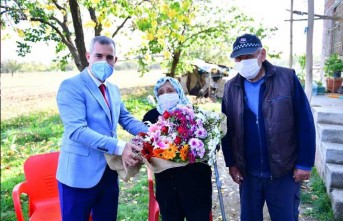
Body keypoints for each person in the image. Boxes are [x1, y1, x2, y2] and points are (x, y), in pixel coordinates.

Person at [221, 33, 316, 221]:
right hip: (248, 174)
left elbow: (305, 122)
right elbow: (226, 130)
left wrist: (304, 163)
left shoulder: (287, 79)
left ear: (262, 55)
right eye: (239, 58)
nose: (243, 62)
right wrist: (231, 163)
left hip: (283, 171)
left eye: (248, 56)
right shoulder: (231, 88)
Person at [56, 35, 147, 221]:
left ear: (115, 60)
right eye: (98, 56)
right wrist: (121, 147)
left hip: (108, 171)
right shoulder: (71, 86)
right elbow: (77, 131)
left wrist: (155, 132)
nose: (104, 61)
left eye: (109, 57)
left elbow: (125, 118)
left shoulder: (113, 88)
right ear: (88, 56)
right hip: (78, 175)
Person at [143, 77, 212, 221]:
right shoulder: (151, 117)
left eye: (169, 90)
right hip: (167, 187)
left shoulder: (196, 114)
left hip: (196, 186)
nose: (165, 95)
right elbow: (144, 146)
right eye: (161, 92)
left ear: (179, 92)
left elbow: (212, 145)